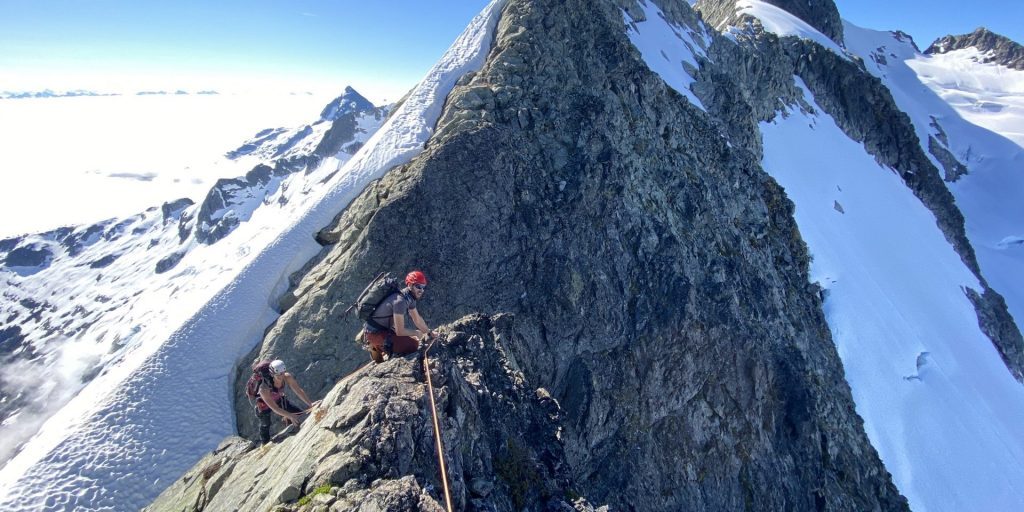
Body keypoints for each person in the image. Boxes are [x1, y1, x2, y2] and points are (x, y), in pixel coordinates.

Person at [364, 270, 436, 363]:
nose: (421, 290)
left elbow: (417, 319)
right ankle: (376, 346)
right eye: (418, 286)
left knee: (413, 338)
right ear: (410, 285)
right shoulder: (400, 301)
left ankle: (376, 346)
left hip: (379, 329)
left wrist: (429, 332)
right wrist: (417, 333)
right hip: (376, 333)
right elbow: (400, 331)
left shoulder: (410, 298)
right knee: (414, 345)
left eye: (423, 287)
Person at [255, 359, 319, 443]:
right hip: (263, 406)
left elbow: (298, 391)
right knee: (265, 424)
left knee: (299, 414)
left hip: (279, 399)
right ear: (272, 374)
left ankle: (294, 430)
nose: (281, 377)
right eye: (278, 375)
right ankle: (264, 443)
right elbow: (274, 408)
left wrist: (310, 404)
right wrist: (290, 415)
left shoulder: (287, 376)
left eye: (282, 373)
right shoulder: (264, 388)